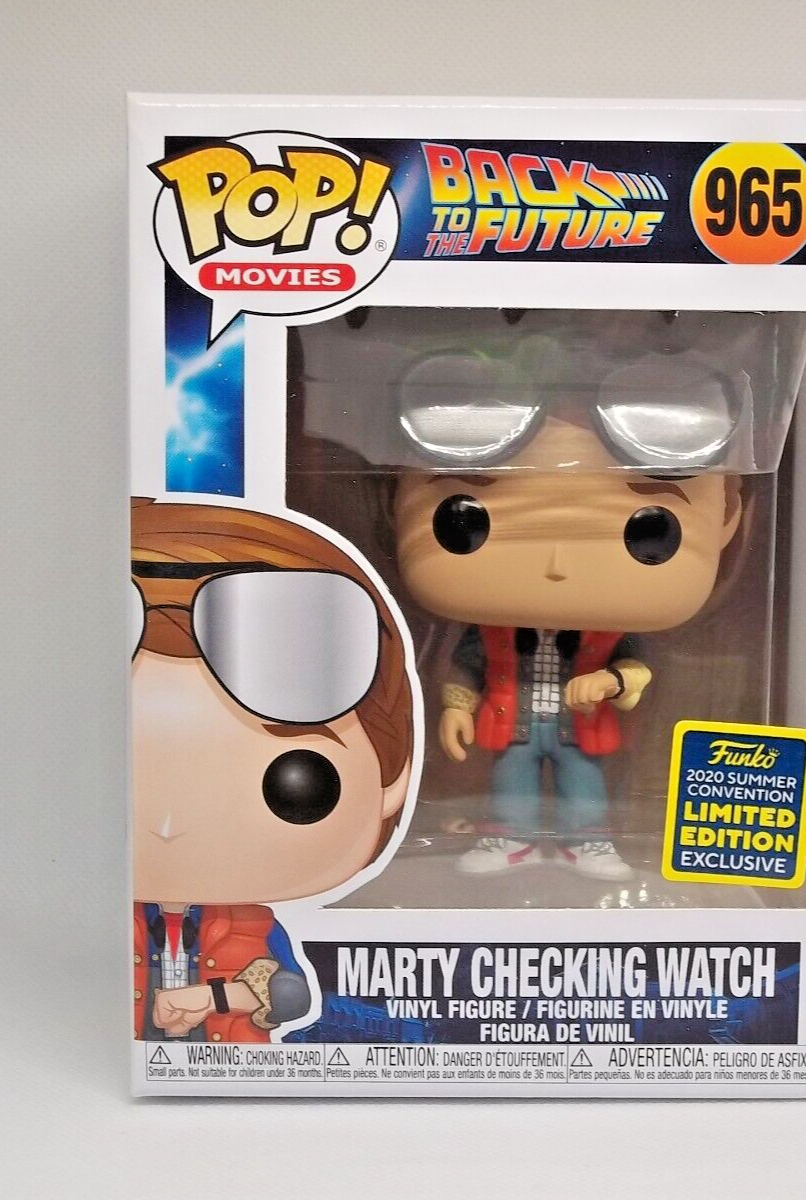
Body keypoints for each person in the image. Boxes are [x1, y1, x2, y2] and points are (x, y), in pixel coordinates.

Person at [395, 415, 741, 880]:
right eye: (468, 519)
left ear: (727, 513)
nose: (557, 565)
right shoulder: (493, 629)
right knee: (511, 783)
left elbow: (636, 666)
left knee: (583, 786)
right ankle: (511, 838)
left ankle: (587, 841)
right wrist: (457, 707)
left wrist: (610, 680)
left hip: (578, 726)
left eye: (648, 531)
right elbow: (468, 663)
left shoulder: (608, 630)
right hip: (513, 723)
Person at [130, 499, 414, 1041]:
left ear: (391, 777)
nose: (167, 825)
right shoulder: (93, 919)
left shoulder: (251, 922)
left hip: (233, 1062)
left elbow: (291, 993)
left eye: (292, 783)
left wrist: (211, 997)